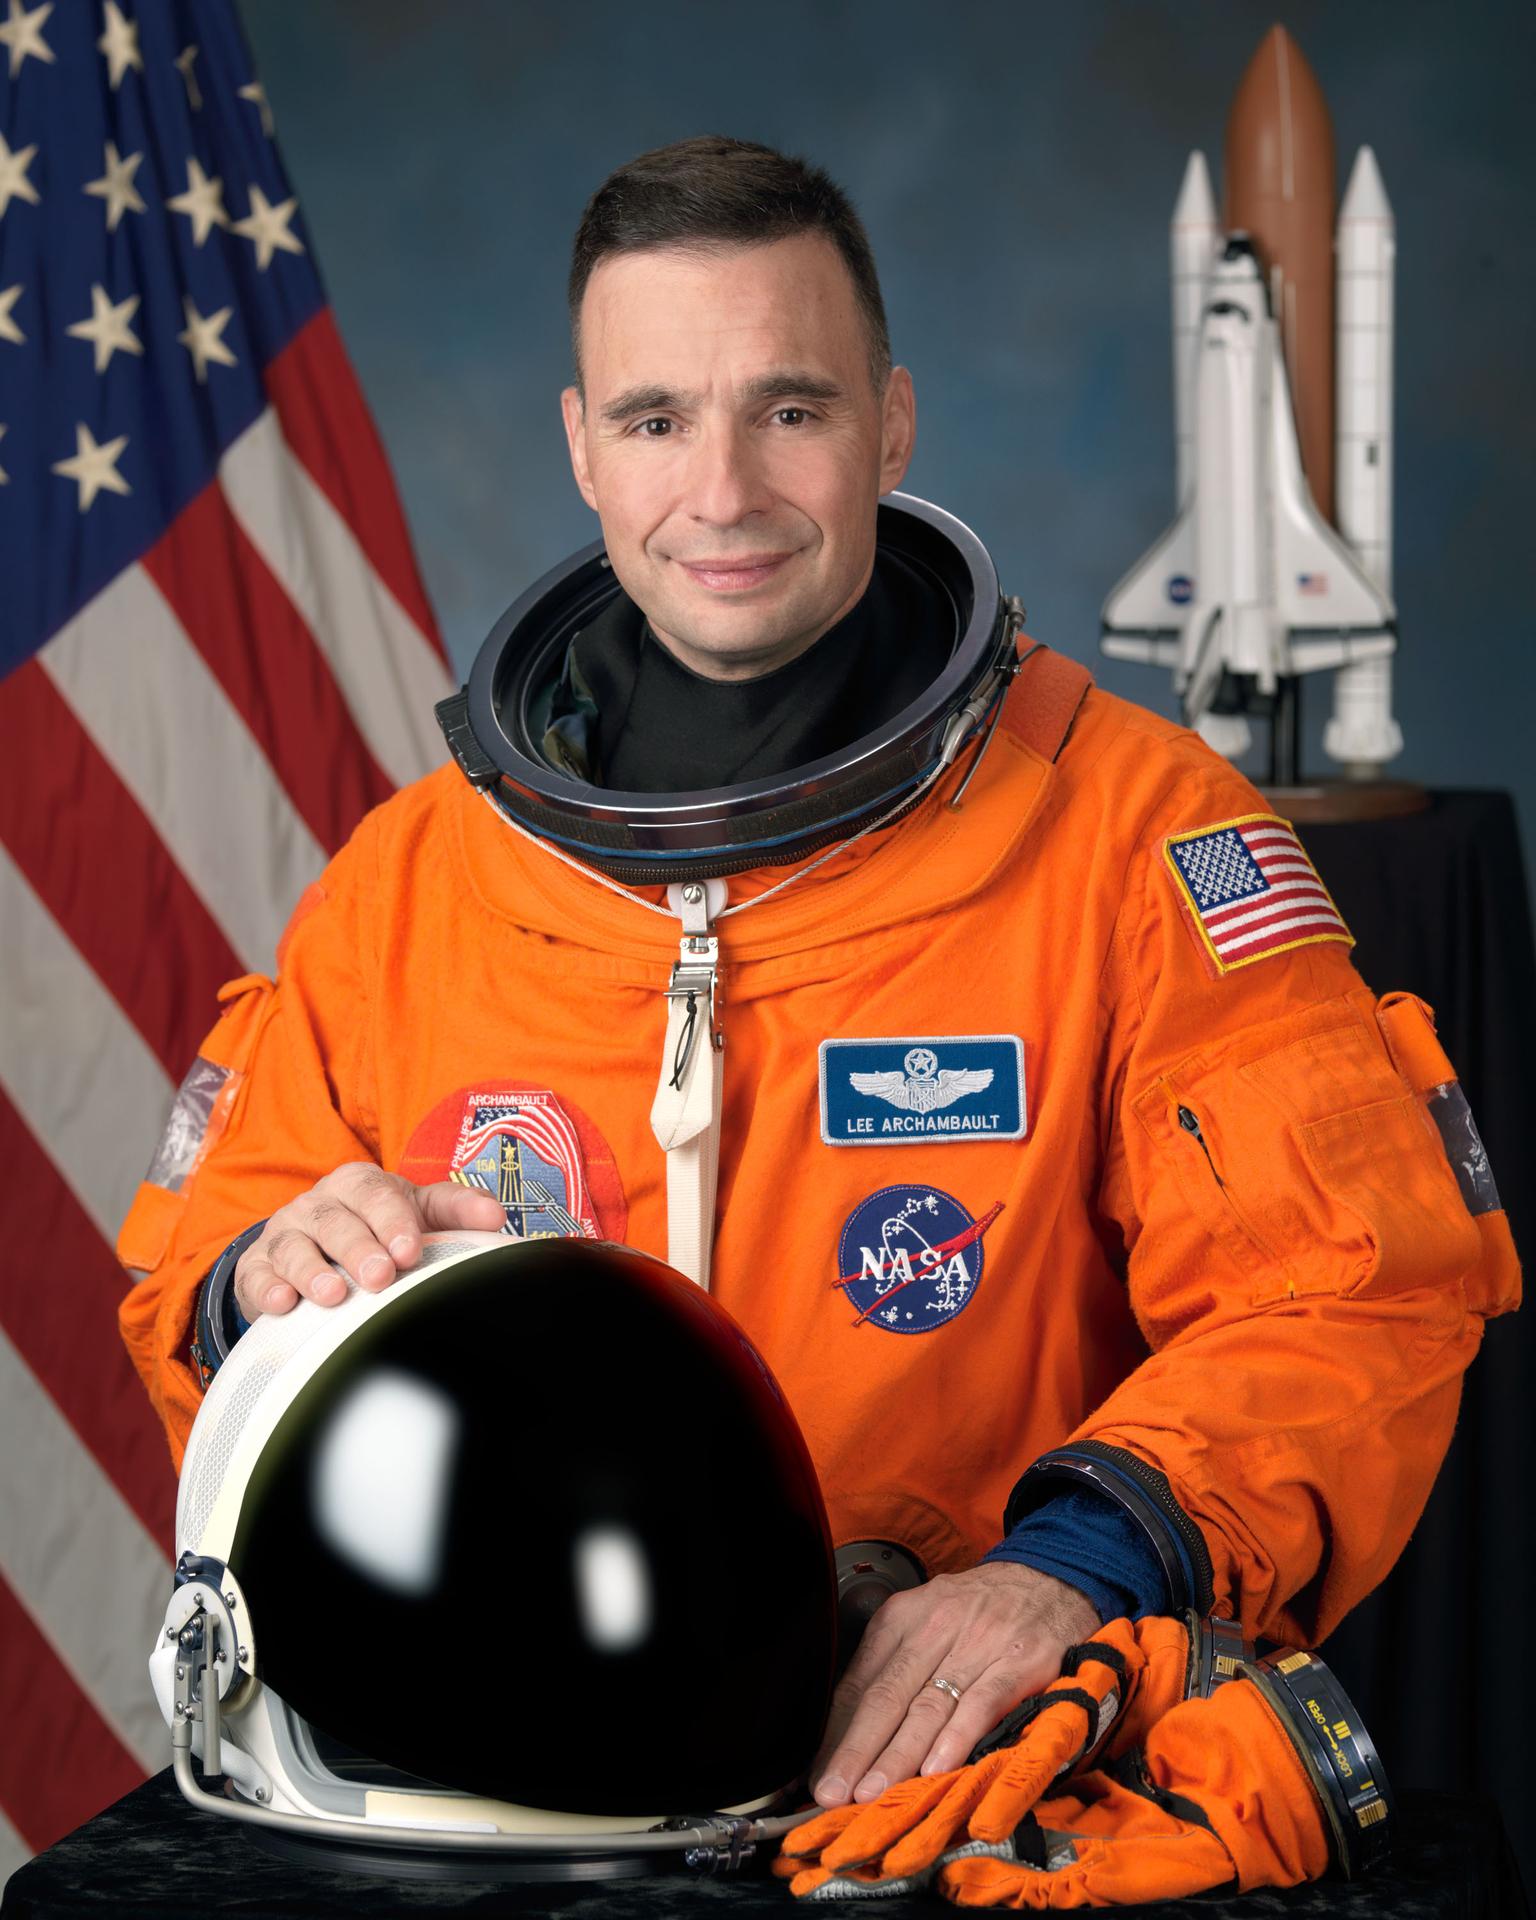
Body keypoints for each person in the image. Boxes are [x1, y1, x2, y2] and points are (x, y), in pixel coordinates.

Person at [117, 136, 1518, 1816]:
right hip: (482, 1791)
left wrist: (1072, 1569)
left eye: (789, 409)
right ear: (581, 447)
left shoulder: (1134, 841)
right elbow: (190, 1289)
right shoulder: (414, 885)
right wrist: (264, 1285)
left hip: (950, 1779)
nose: (722, 492)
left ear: (892, 425)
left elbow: (1346, 1292)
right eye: (655, 420)